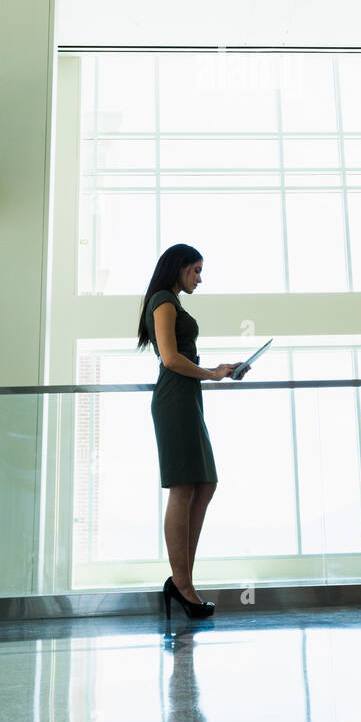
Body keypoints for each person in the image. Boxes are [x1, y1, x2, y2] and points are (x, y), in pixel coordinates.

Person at [137, 243, 247, 620]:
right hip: (174, 399)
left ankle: (183, 579)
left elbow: (180, 356)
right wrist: (213, 372)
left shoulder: (173, 302)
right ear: (179, 267)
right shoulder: (164, 300)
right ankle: (183, 585)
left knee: (205, 483)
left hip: (187, 399)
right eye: (196, 270)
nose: (200, 278)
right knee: (184, 487)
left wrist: (221, 370)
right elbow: (170, 358)